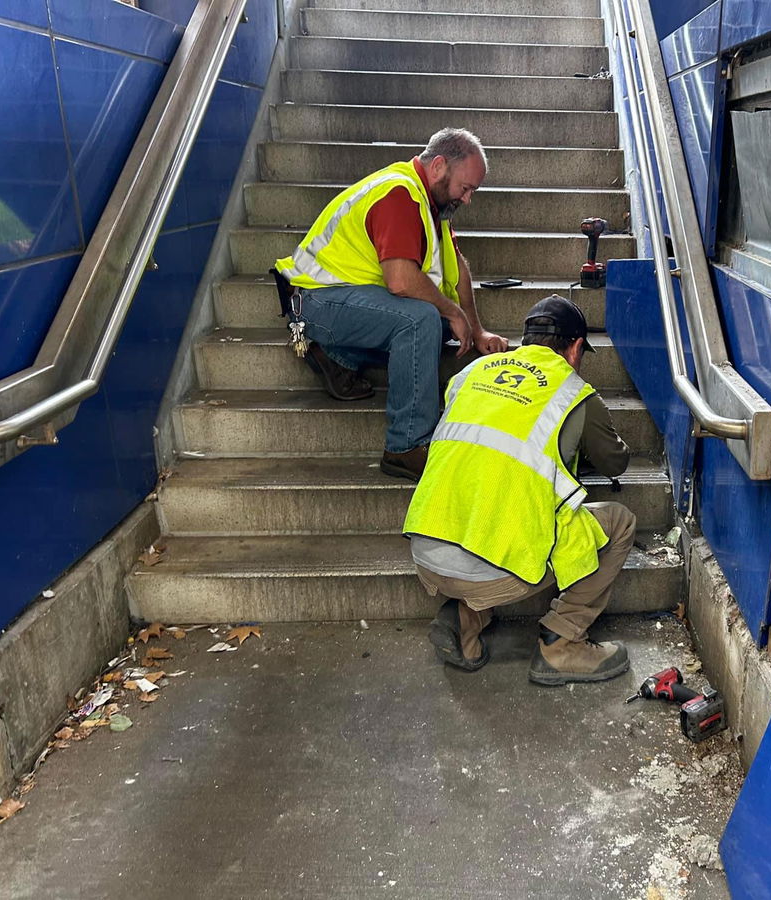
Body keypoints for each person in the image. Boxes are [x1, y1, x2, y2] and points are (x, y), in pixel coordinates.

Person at [403, 295, 636, 685]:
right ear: (575, 348)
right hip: (492, 569)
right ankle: (562, 644)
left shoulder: (471, 374)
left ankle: (463, 621)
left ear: (524, 339)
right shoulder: (573, 393)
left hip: (426, 548)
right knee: (619, 523)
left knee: (495, 511)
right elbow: (615, 463)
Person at [273, 127, 507, 481]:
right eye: (467, 187)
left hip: (348, 301)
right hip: (314, 302)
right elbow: (399, 281)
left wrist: (475, 330)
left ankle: (338, 357)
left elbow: (455, 270)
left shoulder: (431, 205)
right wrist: (451, 310)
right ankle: (406, 445)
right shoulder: (400, 195)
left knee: (438, 322)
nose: (468, 198)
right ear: (439, 166)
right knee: (420, 320)